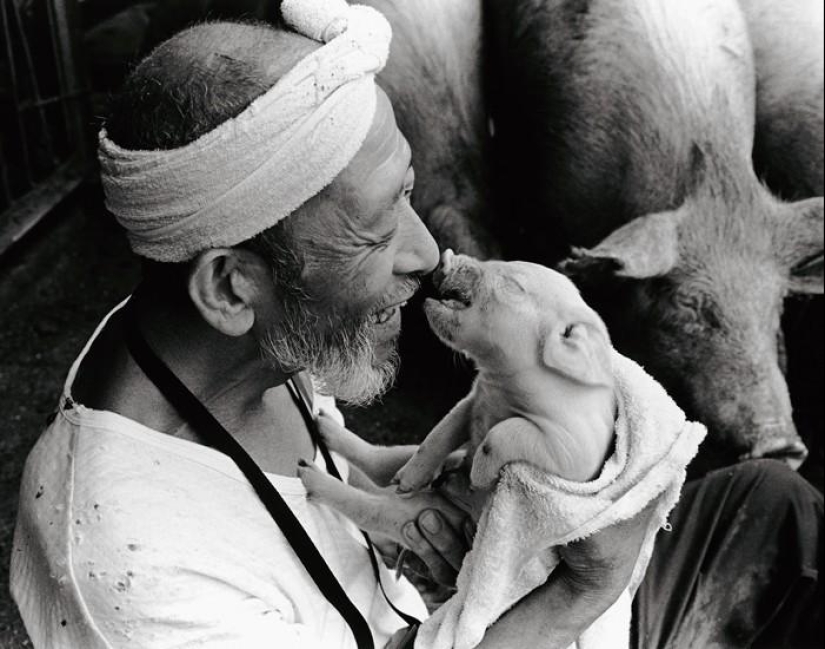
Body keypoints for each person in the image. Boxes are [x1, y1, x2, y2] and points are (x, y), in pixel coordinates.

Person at [10, 1, 822, 648]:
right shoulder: (138, 581)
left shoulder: (227, 339)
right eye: (374, 228)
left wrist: (402, 506)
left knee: (775, 499)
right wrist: (586, 584)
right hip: (537, 621)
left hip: (457, 602)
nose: (429, 253)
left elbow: (326, 484)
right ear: (229, 284)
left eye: (407, 191)